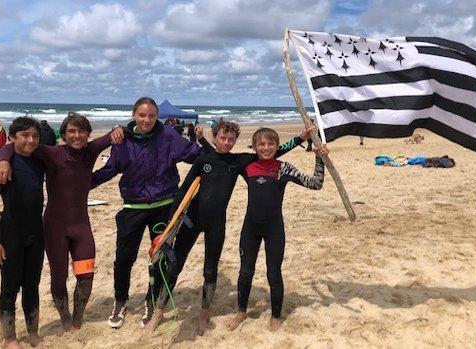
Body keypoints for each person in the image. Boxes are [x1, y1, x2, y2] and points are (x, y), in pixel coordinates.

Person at [145, 120, 314, 334]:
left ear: (235, 141)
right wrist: (170, 225)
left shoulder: (238, 162)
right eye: (222, 138)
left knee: (210, 269)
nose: (226, 143)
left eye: (231, 139)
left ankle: (204, 314)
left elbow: (273, 152)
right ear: (214, 137)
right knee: (174, 266)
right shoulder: (202, 159)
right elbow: (182, 192)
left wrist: (301, 138)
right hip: (191, 221)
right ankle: (159, 312)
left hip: (217, 224)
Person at [0, 112, 124, 331]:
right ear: (63, 134)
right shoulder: (51, 153)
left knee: (86, 276)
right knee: (59, 277)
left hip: (81, 227)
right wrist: (3, 159)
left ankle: (77, 319)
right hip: (55, 229)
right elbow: (11, 146)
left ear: (88, 134)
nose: (77, 136)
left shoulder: (91, 151)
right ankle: (65, 319)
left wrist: (120, 128)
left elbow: (117, 134)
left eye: (82, 131)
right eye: (71, 131)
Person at [90, 97, 204, 329]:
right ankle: (120, 300)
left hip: (164, 206)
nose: (147, 120)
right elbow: (112, 168)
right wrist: (84, 183)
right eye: (142, 115)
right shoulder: (122, 139)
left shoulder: (168, 136)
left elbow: (194, 155)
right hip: (133, 206)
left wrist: (206, 144)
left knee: (159, 258)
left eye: (151, 115)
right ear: (134, 115)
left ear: (157, 116)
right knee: (124, 258)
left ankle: (151, 300)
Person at [227, 127, 328, 332]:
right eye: (261, 144)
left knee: (274, 274)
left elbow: (315, 184)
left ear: (276, 146)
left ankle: (275, 316)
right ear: (254, 147)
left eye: (271, 144)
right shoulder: (247, 166)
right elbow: (221, 162)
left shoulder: (283, 168)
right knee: (246, 271)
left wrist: (320, 159)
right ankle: (241, 312)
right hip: (250, 229)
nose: (266, 148)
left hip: (274, 229)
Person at [0, 116, 45, 349]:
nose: (31, 140)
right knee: (9, 287)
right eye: (25, 136)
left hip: (36, 234)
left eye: (35, 136)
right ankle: (10, 338)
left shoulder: (39, 162)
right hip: (10, 234)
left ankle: (33, 333)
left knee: (32, 285)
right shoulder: (2, 167)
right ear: (12, 137)